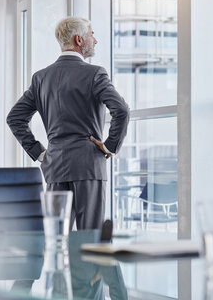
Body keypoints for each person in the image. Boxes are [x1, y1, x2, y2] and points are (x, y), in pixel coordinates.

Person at [7, 16, 129, 230]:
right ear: (79, 40)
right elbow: (121, 109)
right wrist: (110, 145)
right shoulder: (95, 74)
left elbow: (15, 118)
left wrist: (39, 152)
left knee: (56, 236)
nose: (95, 40)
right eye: (91, 35)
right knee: (90, 237)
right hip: (88, 165)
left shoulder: (41, 78)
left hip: (54, 165)